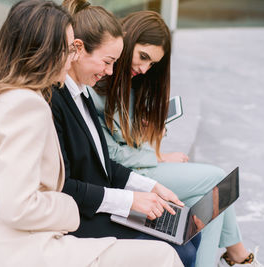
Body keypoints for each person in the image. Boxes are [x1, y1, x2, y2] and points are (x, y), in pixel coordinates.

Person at [0, 1, 182, 266]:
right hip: (24, 249)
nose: (73, 56)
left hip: (12, 242)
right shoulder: (27, 105)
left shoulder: (7, 96)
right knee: (164, 255)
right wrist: (69, 208)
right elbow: (18, 207)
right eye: (68, 48)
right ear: (45, 51)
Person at [88, 10, 263, 267]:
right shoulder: (97, 82)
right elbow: (108, 152)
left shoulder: (131, 82)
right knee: (216, 180)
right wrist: (156, 155)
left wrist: (148, 136)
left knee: (202, 204)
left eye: (152, 64)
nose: (145, 68)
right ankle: (238, 256)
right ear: (128, 39)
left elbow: (128, 139)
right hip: (124, 177)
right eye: (143, 57)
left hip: (138, 167)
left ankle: (236, 257)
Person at [51, 1, 198, 266]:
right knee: (183, 249)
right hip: (82, 216)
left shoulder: (81, 93)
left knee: (189, 233)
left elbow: (104, 162)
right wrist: (130, 200)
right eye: (107, 62)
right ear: (78, 49)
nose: (110, 72)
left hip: (100, 203)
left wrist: (151, 187)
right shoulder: (57, 100)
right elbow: (64, 185)